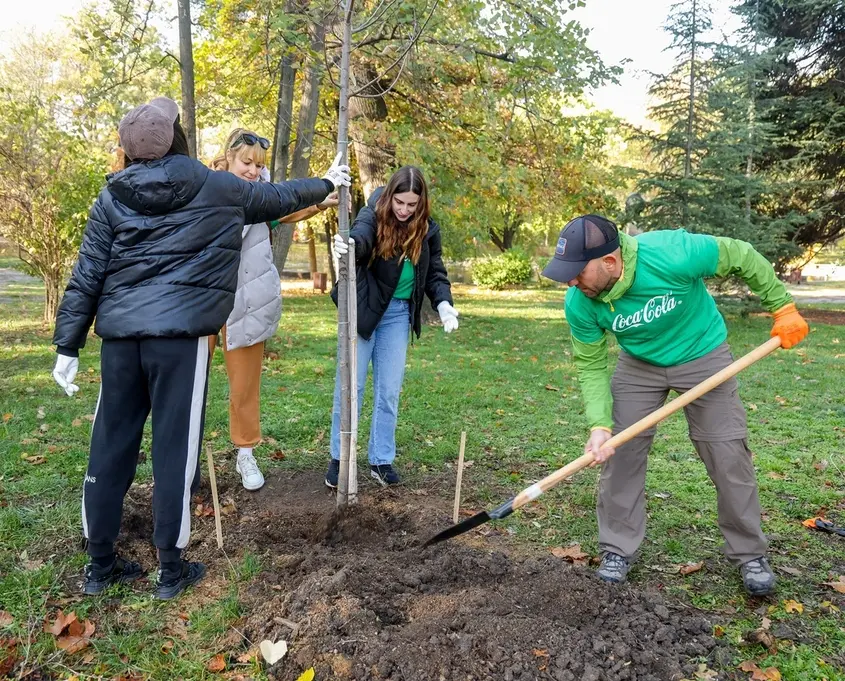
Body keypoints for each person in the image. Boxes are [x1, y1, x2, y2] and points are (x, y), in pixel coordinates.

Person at [50, 97, 350, 599]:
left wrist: (68, 345)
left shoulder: (112, 197)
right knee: (175, 450)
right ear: (179, 139)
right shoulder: (213, 185)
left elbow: (87, 274)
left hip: (121, 342)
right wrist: (328, 181)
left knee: (109, 445)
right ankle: (171, 569)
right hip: (181, 342)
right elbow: (276, 198)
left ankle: (99, 566)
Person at [541, 214, 809, 596]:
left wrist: (781, 307)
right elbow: (590, 365)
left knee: (727, 452)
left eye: (576, 272)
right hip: (639, 366)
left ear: (610, 262)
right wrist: (600, 425)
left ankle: (750, 553)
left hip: (702, 353)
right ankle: (617, 548)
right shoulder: (580, 303)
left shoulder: (673, 253)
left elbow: (742, 254)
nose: (570, 282)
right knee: (619, 452)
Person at [207, 128, 341, 491]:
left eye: (259, 165)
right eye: (246, 162)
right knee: (189, 383)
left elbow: (289, 207)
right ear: (228, 158)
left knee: (245, 386)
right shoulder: (206, 187)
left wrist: (323, 196)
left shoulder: (264, 195)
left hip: (248, 300)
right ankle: (185, 457)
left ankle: (245, 454)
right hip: (202, 300)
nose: (253, 170)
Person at [325, 165, 458, 488]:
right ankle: (339, 459)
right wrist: (350, 247)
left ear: (420, 203)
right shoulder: (373, 213)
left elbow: (435, 271)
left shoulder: (427, 229)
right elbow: (361, 236)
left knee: (388, 391)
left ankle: (381, 459)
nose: (404, 210)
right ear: (390, 196)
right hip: (365, 310)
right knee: (351, 388)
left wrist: (443, 303)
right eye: (400, 202)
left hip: (398, 315)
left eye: (412, 205)